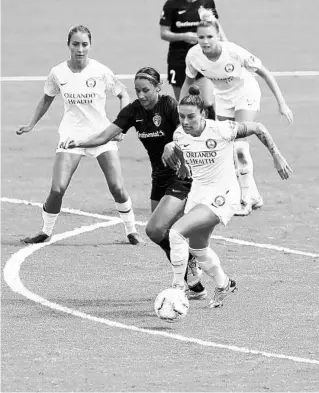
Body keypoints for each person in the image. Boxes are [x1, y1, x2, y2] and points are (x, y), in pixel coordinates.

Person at [60, 67, 207, 300]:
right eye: (137, 90)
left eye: (146, 90)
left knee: (156, 229)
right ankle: (194, 280)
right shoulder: (134, 111)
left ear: (159, 88)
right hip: (159, 177)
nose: (140, 95)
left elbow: (188, 132)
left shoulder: (169, 106)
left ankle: (185, 280)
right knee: (163, 234)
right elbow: (104, 135)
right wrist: (77, 142)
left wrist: (173, 145)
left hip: (182, 175)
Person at [163, 86, 292, 308]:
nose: (185, 121)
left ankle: (177, 288)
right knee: (197, 247)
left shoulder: (223, 130)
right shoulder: (179, 134)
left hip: (223, 195)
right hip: (198, 194)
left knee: (175, 233)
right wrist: (179, 160)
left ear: (203, 114)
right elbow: (182, 147)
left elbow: (258, 128)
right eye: (182, 116)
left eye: (191, 116)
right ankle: (224, 284)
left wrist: (277, 156)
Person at [16, 25, 142, 245]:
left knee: (117, 188)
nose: (80, 49)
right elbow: (47, 98)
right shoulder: (58, 73)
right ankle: (45, 231)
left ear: (90, 45)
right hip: (71, 137)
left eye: (84, 44)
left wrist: (120, 126)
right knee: (57, 189)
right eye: (75, 44)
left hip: (102, 136)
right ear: (68, 45)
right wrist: (31, 124)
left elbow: (123, 93)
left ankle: (131, 231)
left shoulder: (101, 71)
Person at [180, 9, 294, 215]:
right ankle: (255, 196)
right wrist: (181, 112)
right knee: (228, 147)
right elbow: (188, 82)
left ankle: (245, 200)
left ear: (218, 36)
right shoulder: (194, 56)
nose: (205, 41)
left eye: (209, 37)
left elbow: (265, 72)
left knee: (240, 147)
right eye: (201, 37)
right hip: (223, 99)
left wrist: (282, 103)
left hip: (245, 93)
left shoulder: (233, 52)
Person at [159, 0, 227, 117]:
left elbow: (215, 26)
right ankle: (188, 132)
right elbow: (164, 33)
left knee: (207, 102)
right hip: (179, 60)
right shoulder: (171, 4)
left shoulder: (207, 2)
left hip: (203, 57)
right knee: (184, 103)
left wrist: (225, 44)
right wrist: (184, 36)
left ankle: (211, 131)